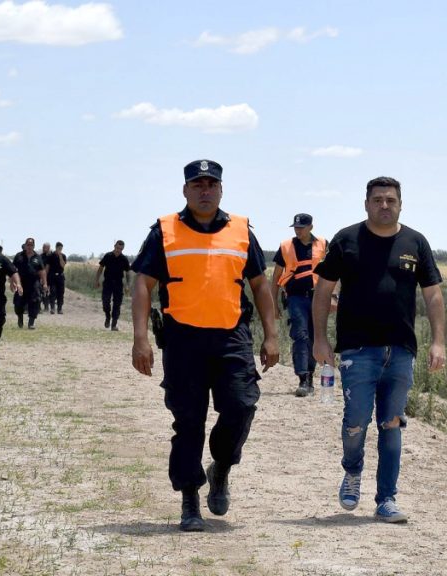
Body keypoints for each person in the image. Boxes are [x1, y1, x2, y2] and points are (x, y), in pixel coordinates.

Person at [130, 159, 279, 532]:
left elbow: (260, 284)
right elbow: (143, 285)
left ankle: (222, 467)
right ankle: (189, 499)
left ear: (222, 189)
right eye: (197, 184)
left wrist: (272, 334)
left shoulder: (242, 230)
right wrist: (140, 339)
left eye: (212, 184)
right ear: (185, 190)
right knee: (189, 422)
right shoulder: (164, 231)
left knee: (241, 407)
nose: (205, 190)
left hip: (232, 336)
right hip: (183, 340)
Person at [313, 176, 446, 524]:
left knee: (391, 423)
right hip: (358, 349)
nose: (384, 205)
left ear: (400, 203)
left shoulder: (415, 242)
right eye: (377, 200)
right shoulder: (346, 240)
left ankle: (386, 499)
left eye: (390, 200)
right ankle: (352, 471)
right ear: (366, 204)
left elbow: (432, 294)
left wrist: (438, 341)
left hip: (401, 350)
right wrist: (320, 339)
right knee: (356, 419)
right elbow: (323, 291)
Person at [271, 213, 327, 397]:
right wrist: (273, 303)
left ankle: (310, 376)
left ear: (311, 226)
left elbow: (334, 273)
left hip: (318, 298)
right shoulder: (286, 246)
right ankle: (303, 378)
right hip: (295, 298)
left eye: (301, 227)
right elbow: (276, 277)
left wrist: (334, 297)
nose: (298, 230)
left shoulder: (323, 244)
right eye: (296, 227)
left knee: (313, 337)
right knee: (301, 335)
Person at [12, 238, 48, 330]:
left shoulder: (37, 257)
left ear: (34, 246)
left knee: (35, 301)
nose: (29, 246)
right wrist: (13, 282)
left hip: (34, 282)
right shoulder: (19, 256)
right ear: (25, 245)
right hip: (21, 282)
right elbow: (12, 270)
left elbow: (42, 271)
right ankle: (20, 318)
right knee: (18, 302)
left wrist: (44, 283)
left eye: (31, 245)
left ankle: (31, 323)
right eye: (28, 244)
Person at [96, 241, 132, 330]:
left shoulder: (124, 259)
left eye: (121, 249)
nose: (118, 250)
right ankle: (108, 317)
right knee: (105, 302)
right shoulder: (108, 256)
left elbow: (128, 273)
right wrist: (97, 280)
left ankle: (114, 325)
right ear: (114, 246)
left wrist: (127, 285)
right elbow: (100, 269)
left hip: (118, 284)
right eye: (117, 248)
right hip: (107, 282)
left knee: (117, 304)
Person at [45, 242, 68, 314]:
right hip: (52, 276)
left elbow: (63, 266)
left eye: (61, 248)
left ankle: (60, 308)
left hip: (60, 276)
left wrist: (60, 256)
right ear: (56, 247)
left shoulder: (63, 256)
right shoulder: (51, 256)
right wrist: (45, 277)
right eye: (59, 248)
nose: (60, 250)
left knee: (61, 293)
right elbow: (47, 267)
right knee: (53, 292)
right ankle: (52, 308)